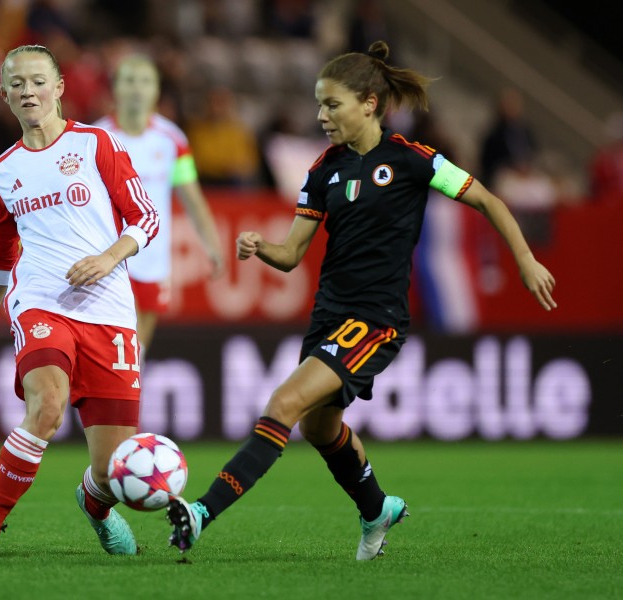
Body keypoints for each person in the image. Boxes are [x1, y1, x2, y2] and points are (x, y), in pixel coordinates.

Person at [166, 40, 556, 561]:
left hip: (377, 319)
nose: (321, 116)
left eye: (332, 105)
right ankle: (377, 509)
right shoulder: (322, 170)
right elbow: (291, 256)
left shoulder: (413, 160)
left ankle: (201, 512)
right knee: (318, 425)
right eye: (318, 105)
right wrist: (262, 248)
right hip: (328, 315)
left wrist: (525, 259)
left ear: (369, 103)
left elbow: (486, 199)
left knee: (283, 403)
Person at [0, 44, 160, 561]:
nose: (28, 91)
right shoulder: (2, 172)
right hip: (42, 301)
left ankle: (95, 503)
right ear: (3, 95)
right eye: (17, 84)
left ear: (60, 87)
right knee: (46, 406)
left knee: (113, 472)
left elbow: (146, 218)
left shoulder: (96, 144)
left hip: (109, 310)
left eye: (38, 81)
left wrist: (109, 257)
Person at [94, 54, 224, 356]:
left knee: (134, 356)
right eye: (129, 81)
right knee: (102, 353)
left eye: (145, 82)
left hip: (152, 260)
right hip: (107, 258)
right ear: (115, 89)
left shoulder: (172, 140)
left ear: (156, 91)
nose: (137, 89)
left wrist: (213, 245)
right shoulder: (95, 138)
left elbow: (192, 199)